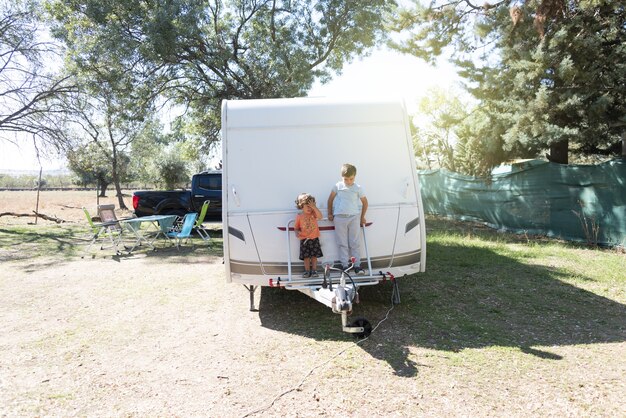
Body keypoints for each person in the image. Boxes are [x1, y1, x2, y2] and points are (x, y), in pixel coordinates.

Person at [327, 163, 368, 275]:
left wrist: (362, 217)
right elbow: (330, 200)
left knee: (354, 242)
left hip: (354, 217)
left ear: (355, 176)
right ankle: (345, 265)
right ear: (342, 177)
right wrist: (330, 213)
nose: (349, 181)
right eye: (346, 179)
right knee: (342, 243)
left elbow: (365, 202)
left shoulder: (358, 188)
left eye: (351, 179)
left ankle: (357, 265)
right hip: (339, 218)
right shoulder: (338, 186)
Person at [294, 193, 323, 278]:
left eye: (311, 206)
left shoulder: (314, 214)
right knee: (306, 257)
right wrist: (296, 232)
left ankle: (314, 271)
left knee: (314, 256)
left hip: (314, 238)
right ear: (302, 206)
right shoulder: (299, 216)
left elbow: (320, 217)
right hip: (304, 239)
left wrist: (314, 207)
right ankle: (307, 271)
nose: (310, 208)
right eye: (308, 206)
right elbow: (296, 227)